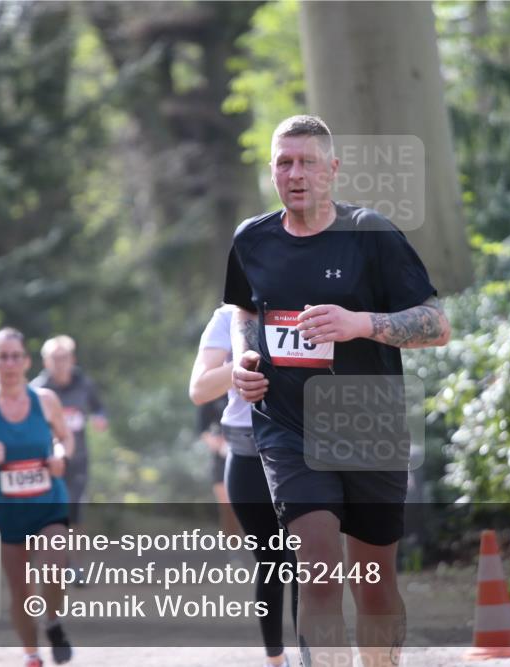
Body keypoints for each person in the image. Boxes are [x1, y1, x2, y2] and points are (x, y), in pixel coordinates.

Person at [224, 115, 451, 667]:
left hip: (369, 424)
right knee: (319, 571)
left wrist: (362, 325)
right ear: (272, 171)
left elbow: (436, 324)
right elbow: (242, 310)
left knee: (372, 584)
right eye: (284, 163)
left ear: (332, 169)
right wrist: (243, 359)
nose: (295, 173)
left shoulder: (371, 235)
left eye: (307, 162)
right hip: (288, 427)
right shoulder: (251, 240)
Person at [0, 328, 74, 667]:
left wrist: (60, 457)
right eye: (2, 356)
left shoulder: (45, 400)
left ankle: (53, 620)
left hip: (48, 503)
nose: (9, 363)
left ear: (26, 361)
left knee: (54, 570)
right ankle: (32, 656)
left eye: (15, 356)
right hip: (5, 514)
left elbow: (65, 438)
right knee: (20, 591)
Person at [191, 303, 298, 667]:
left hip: (307, 449)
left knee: (306, 559)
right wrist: (238, 364)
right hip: (247, 451)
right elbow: (199, 389)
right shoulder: (226, 317)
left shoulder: (311, 302)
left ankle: (311, 658)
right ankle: (275, 659)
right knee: (271, 562)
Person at [30, 335, 107, 580]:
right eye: (54, 358)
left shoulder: (84, 384)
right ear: (45, 361)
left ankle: (76, 566)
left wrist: (99, 418)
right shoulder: (37, 390)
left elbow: (99, 407)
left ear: (72, 359)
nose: (60, 363)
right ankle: (50, 564)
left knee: (74, 511)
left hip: (78, 460)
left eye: (64, 358)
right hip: (46, 462)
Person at [195, 396, 243, 540]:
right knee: (227, 506)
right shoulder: (211, 395)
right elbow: (203, 430)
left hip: (249, 452)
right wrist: (221, 446)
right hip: (221, 457)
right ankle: (233, 551)